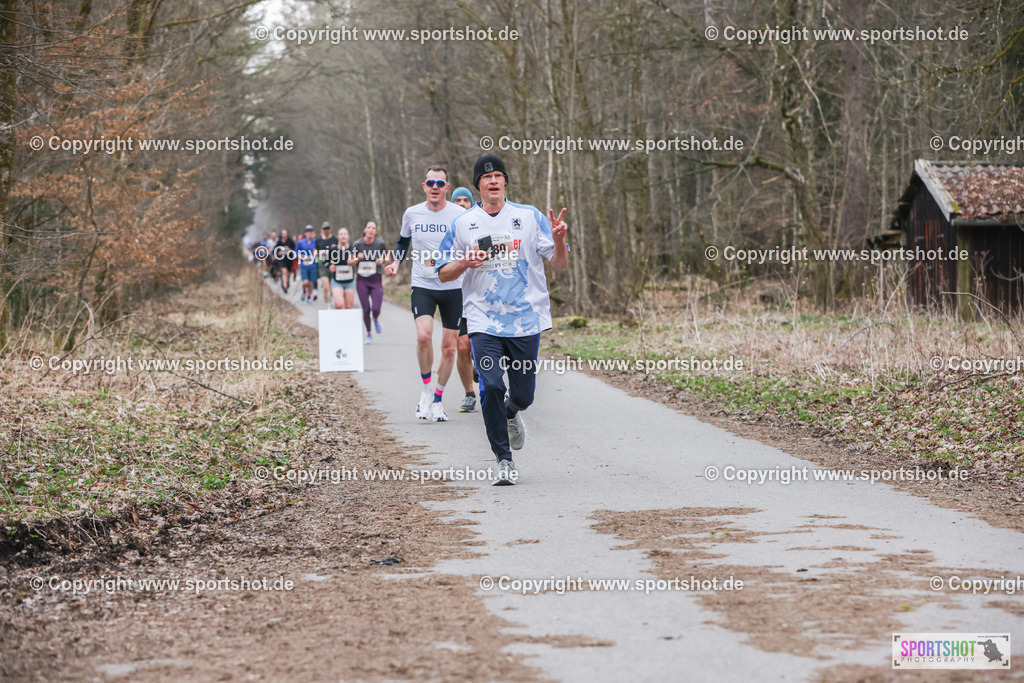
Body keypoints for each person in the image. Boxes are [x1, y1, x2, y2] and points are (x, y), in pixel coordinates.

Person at [437, 154, 569, 486]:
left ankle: (511, 412)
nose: (493, 180)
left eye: (498, 175)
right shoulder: (463, 224)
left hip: (525, 319)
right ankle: (504, 460)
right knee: (492, 386)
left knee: (524, 396)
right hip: (483, 320)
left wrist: (559, 239)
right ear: (478, 185)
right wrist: (464, 263)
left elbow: (561, 262)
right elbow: (442, 273)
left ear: (505, 181)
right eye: (486, 177)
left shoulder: (529, 216)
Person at [385, 166, 470, 421]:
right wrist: (395, 263)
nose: (435, 187)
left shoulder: (459, 214)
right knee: (423, 336)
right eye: (430, 183)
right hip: (423, 284)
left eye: (440, 183)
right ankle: (426, 390)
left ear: (446, 188)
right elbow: (403, 242)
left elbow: (472, 241)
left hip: (453, 287)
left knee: (449, 349)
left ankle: (438, 399)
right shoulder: (412, 213)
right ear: (424, 186)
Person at [352, 221, 389, 343]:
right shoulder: (357, 244)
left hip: (375, 279)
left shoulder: (380, 244)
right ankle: (369, 334)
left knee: (376, 308)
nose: (371, 230)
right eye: (369, 227)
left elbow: (388, 258)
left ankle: (376, 319)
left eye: (373, 228)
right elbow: (349, 261)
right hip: (362, 280)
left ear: (375, 231)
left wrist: (382, 260)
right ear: (365, 230)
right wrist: (357, 258)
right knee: (366, 309)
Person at [329, 227, 356, 309]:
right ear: (338, 237)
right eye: (341, 234)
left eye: (345, 234)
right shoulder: (333, 250)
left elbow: (358, 261)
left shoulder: (353, 249)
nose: (343, 236)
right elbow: (323, 260)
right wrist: (329, 266)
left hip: (349, 282)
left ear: (348, 236)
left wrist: (354, 261)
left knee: (348, 306)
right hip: (337, 281)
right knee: (339, 304)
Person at [315, 222, 338, 307]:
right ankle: (328, 304)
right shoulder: (319, 240)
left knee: (332, 286)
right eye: (325, 229)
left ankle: (331, 299)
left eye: (327, 228)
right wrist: (316, 255)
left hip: (332, 263)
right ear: (322, 229)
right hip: (322, 264)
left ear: (330, 229)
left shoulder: (334, 239)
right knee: (325, 285)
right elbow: (315, 250)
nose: (326, 230)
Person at [296, 225, 319, 303]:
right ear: (305, 233)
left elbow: (320, 251)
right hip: (304, 265)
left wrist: (317, 253)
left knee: (311, 283)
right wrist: (300, 256)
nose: (309, 233)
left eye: (310, 232)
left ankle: (308, 297)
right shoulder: (300, 242)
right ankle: (304, 291)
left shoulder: (316, 242)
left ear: (313, 233)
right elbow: (295, 252)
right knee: (305, 282)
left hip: (313, 265)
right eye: (308, 232)